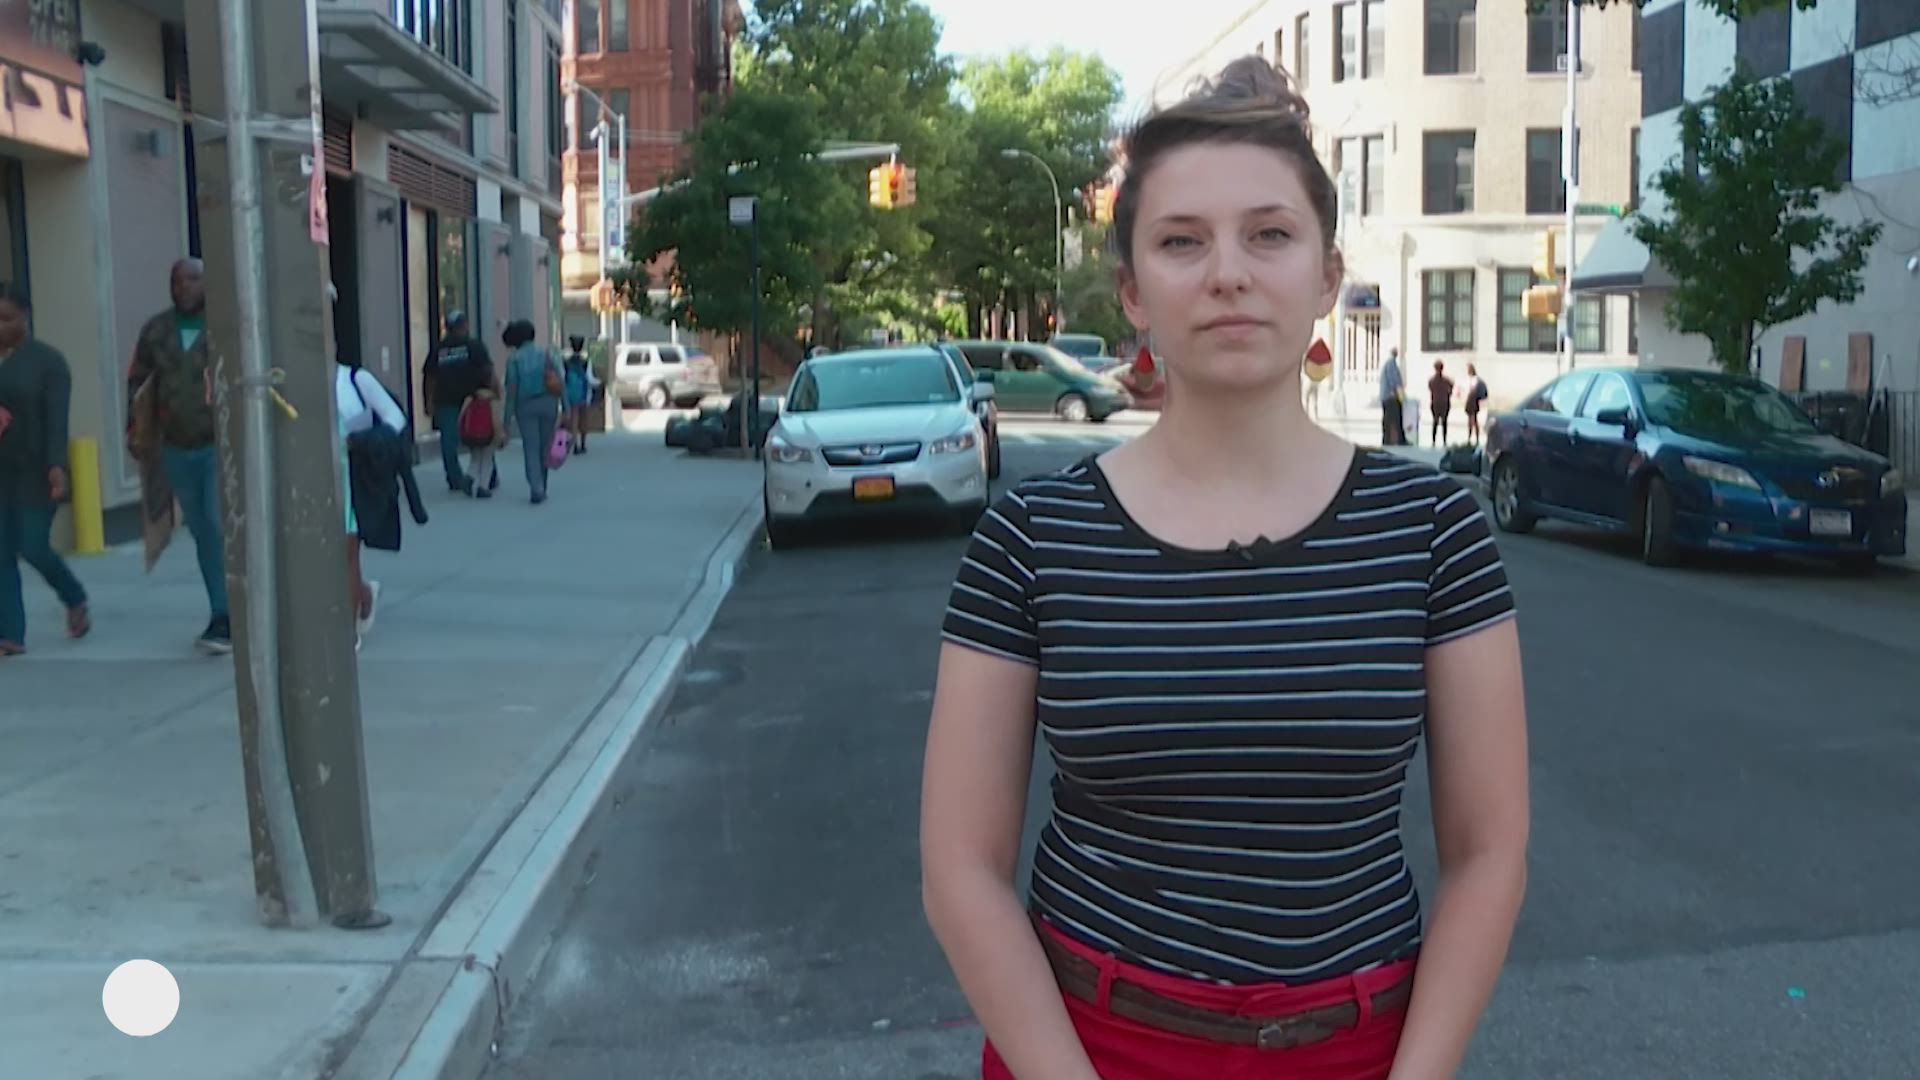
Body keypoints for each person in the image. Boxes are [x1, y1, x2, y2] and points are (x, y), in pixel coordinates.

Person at [922, 56, 1529, 1080]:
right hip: (1089, 1047)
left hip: (1362, 1052)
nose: (1228, 273)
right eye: (1181, 241)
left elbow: (1489, 853)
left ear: (1327, 276)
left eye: (1270, 234)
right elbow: (959, 867)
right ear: (1133, 291)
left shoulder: (1433, 531)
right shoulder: (1031, 537)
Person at [127, 257, 230, 654]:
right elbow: (138, 383)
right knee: (203, 532)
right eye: (176, 281)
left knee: (218, 525)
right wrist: (135, 429)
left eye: (191, 279)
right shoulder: (156, 331)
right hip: (176, 447)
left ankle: (229, 615)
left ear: (207, 282)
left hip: (219, 444)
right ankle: (220, 610)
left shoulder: (226, 326)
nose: (183, 287)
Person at [0, 285, 89, 655]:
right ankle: (10, 634)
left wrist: (56, 466)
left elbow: (57, 419)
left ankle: (73, 596)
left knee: (33, 546)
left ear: (25, 317)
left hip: (36, 470)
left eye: (5, 319)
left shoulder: (48, 362)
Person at [421, 311, 493, 494]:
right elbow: (488, 371)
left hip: (452, 400)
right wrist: (491, 392)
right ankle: (485, 477)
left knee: (451, 441)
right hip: (471, 399)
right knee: (481, 437)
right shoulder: (474, 346)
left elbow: (430, 378)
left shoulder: (440, 349)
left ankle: (458, 478)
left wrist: (428, 401)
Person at [501, 318, 564, 504]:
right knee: (545, 447)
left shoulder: (514, 359)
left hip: (525, 406)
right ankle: (543, 484)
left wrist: (506, 419)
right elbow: (560, 380)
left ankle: (536, 487)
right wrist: (566, 406)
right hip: (549, 403)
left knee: (530, 447)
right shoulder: (547, 353)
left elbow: (511, 390)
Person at [562, 335, 598, 454]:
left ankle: (574, 445)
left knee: (574, 419)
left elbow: (563, 378)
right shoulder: (586, 362)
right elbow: (590, 379)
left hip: (570, 394)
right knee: (584, 419)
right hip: (584, 393)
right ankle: (583, 444)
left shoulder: (566, 362)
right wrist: (600, 383)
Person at [1378, 347, 1404, 446]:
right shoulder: (1391, 364)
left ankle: (1390, 439)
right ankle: (1396, 439)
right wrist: (1398, 393)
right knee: (1394, 418)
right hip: (1390, 396)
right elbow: (1393, 380)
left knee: (1388, 418)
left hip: (1387, 396)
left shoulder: (1389, 363)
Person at [1428, 360, 1455, 447]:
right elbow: (1451, 386)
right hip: (1444, 402)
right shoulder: (1446, 380)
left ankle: (1433, 440)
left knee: (1435, 421)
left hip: (1435, 402)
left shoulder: (1432, 380)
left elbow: (1430, 389)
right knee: (1444, 422)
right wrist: (1449, 393)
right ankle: (1444, 440)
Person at [1463, 363, 1488, 446]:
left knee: (1473, 420)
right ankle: (1470, 437)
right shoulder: (1470, 379)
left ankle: (1474, 437)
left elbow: (1473, 390)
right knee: (1471, 420)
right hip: (1470, 400)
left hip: (1473, 401)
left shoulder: (1475, 380)